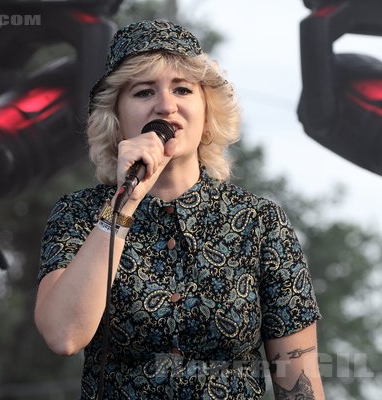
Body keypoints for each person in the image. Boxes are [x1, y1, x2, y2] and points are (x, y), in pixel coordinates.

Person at [34, 19, 324, 399]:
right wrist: (125, 203)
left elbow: (298, 382)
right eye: (143, 92)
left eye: (183, 89)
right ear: (117, 120)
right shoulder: (79, 214)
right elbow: (64, 334)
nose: (166, 105)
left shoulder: (260, 223)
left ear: (206, 115)